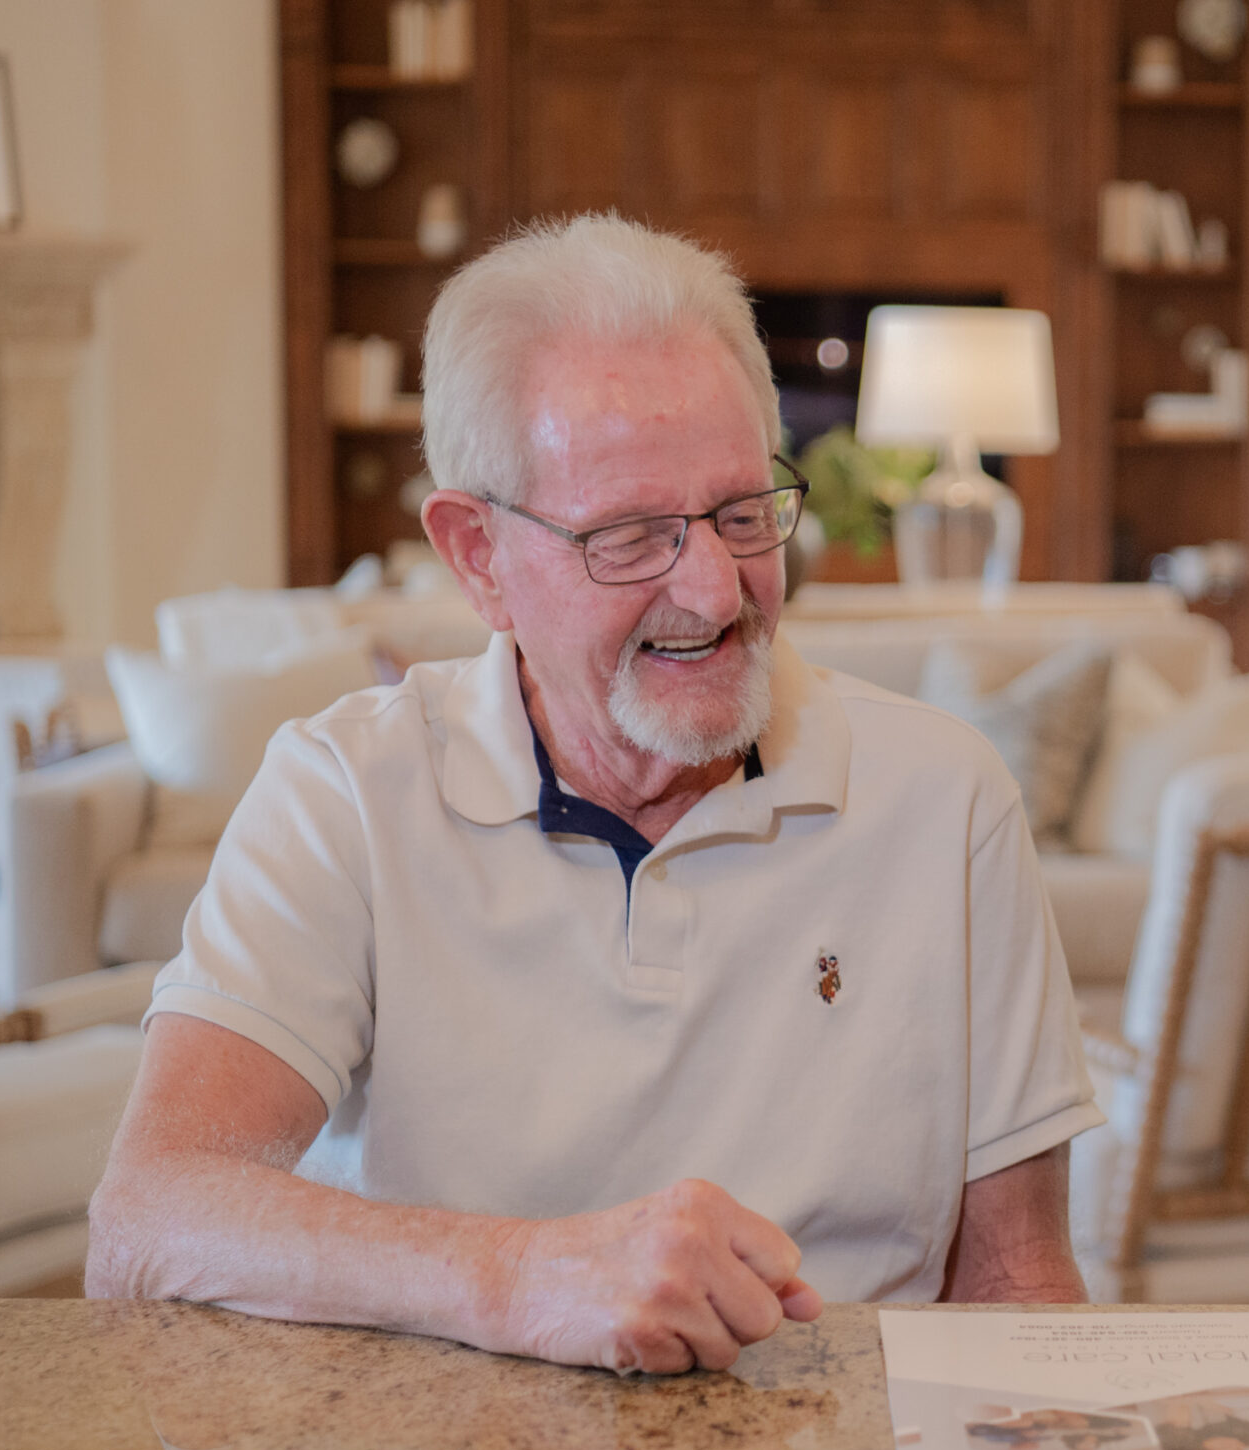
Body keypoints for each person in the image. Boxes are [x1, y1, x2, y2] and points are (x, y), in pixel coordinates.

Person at [89, 214, 1101, 1367]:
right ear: (479, 557)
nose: (715, 591)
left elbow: (1020, 1285)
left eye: (738, 514)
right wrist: (522, 1277)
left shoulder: (946, 796)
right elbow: (147, 1218)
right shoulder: (344, 791)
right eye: (631, 536)